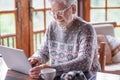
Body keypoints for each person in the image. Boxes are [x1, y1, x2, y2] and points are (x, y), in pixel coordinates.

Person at [28, 0, 101, 79]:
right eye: (53, 12)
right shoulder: (52, 26)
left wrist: (52, 69)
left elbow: (84, 62)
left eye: (60, 12)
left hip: (85, 77)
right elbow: (43, 52)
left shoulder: (86, 29)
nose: (56, 16)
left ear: (73, 9)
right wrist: (36, 58)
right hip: (60, 77)